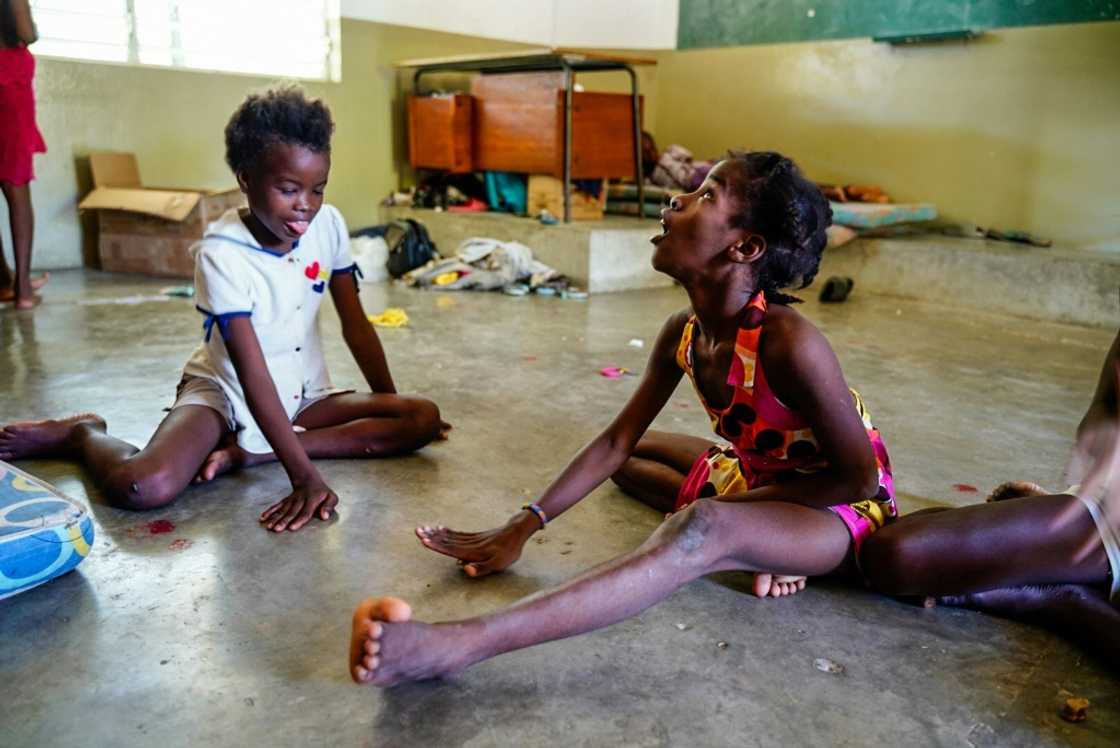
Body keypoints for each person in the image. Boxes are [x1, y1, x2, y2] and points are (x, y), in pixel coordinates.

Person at [349, 151, 896, 685]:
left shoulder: (790, 343)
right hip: (758, 471)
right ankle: (755, 540)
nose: (674, 200)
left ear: (744, 246)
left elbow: (858, 478)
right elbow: (616, 440)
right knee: (628, 461)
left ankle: (458, 645)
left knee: (698, 527)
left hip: (841, 506)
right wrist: (523, 525)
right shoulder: (684, 331)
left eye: (705, 195)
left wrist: (724, 510)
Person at [0, 87, 444, 532]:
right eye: (288, 189)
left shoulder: (327, 224)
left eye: (318, 189)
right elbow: (250, 373)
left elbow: (356, 324)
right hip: (226, 391)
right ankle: (83, 434)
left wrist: (388, 402)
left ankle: (251, 453)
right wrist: (304, 478)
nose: (305, 205)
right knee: (142, 487)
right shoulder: (221, 253)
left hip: (305, 394)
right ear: (245, 178)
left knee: (420, 417)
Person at [859, 330, 1120, 666]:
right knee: (894, 554)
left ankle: (1066, 603)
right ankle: (1061, 570)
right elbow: (1104, 407)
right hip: (1108, 518)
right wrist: (1105, 439)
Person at [0, 0, 49, 309]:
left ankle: (4, 280)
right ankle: (24, 292)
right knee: (17, 187)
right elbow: (26, 32)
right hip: (9, 81)